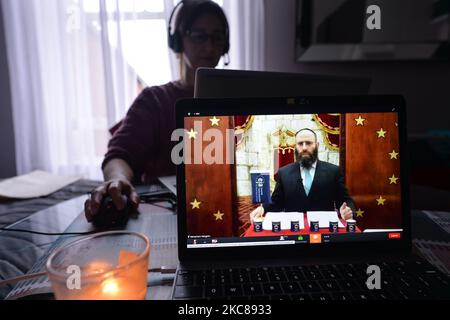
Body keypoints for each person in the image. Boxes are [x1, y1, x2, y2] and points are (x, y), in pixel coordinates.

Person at [84, 0, 230, 223]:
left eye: (217, 37)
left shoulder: (239, 97)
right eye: (200, 36)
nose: (209, 47)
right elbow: (120, 155)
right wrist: (117, 180)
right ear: (178, 40)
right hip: (166, 214)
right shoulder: (154, 100)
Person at [249, 128, 355, 223]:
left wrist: (347, 211)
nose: (304, 148)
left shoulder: (333, 171)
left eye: (308, 143)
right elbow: (277, 203)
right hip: (293, 230)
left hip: (324, 231)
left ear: (317, 145)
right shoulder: (284, 173)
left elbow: (345, 201)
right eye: (300, 144)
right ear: (295, 147)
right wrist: (263, 208)